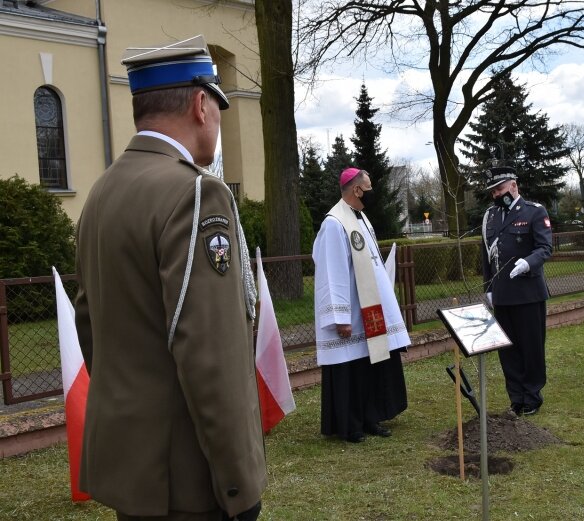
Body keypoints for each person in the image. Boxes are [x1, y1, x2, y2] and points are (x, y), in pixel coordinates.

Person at [73, 35, 267, 521]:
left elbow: (90, 324)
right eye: (219, 106)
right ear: (202, 104)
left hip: (136, 471)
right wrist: (239, 484)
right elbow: (211, 355)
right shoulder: (196, 194)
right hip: (189, 481)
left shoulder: (101, 192)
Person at [313, 167, 409, 443]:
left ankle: (370, 417)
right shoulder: (335, 222)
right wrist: (340, 316)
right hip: (351, 314)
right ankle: (351, 424)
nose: (372, 192)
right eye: (369, 186)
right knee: (350, 369)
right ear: (356, 190)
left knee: (370, 365)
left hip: (369, 311)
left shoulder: (361, 218)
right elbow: (332, 272)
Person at [480, 166, 553, 416]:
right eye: (492, 192)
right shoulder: (490, 216)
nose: (496, 195)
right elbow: (486, 254)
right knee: (507, 350)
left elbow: (545, 248)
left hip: (528, 293)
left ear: (513, 185)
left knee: (531, 347)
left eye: (499, 189)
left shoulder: (534, 212)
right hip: (502, 295)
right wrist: (488, 286)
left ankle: (532, 396)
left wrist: (528, 262)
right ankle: (516, 398)